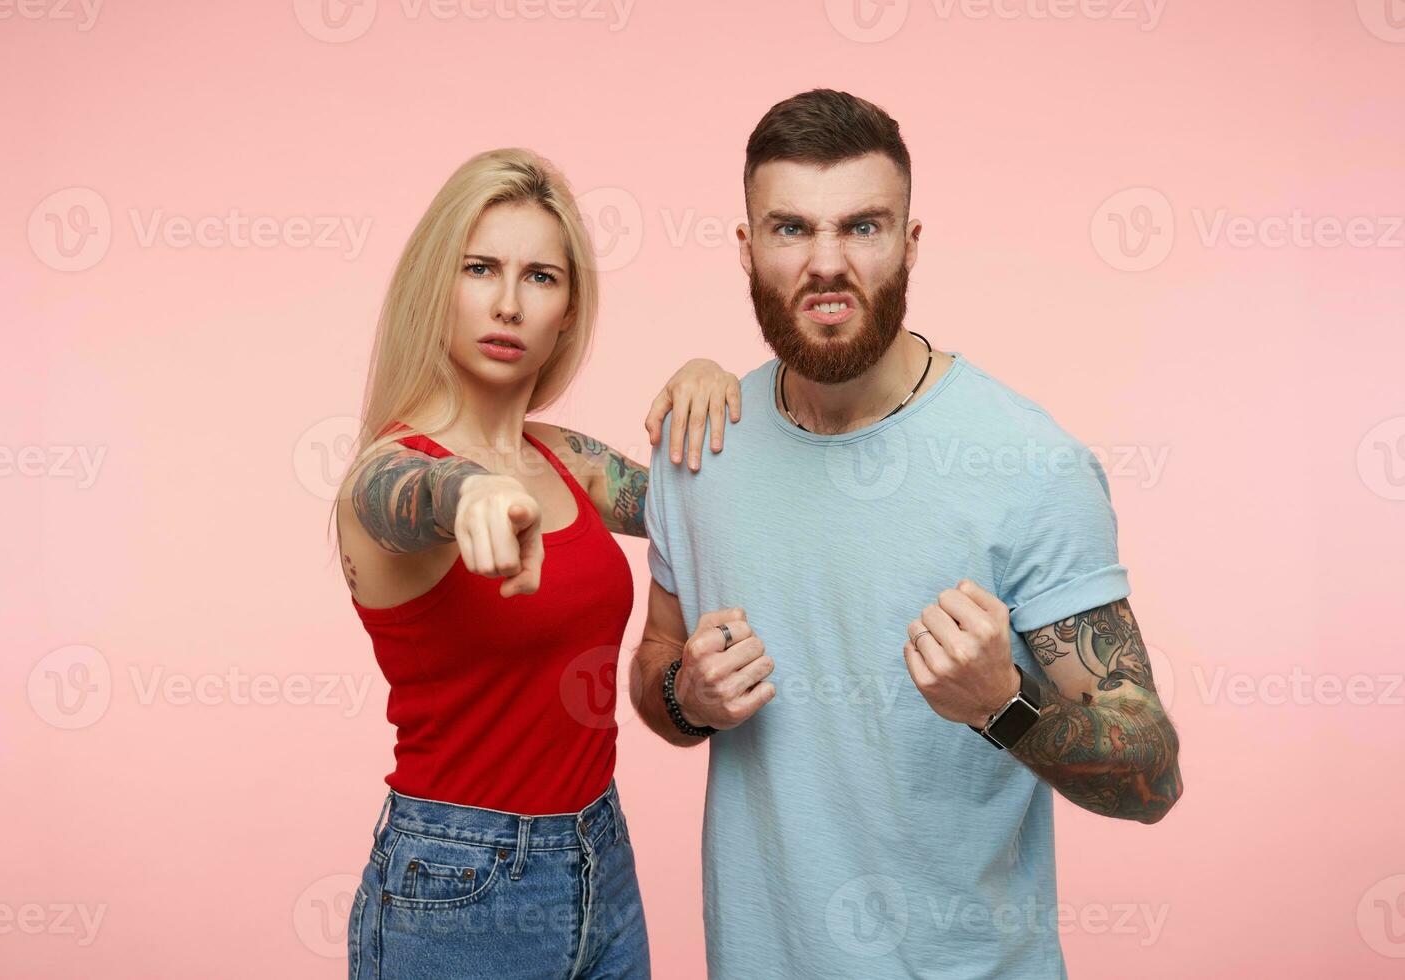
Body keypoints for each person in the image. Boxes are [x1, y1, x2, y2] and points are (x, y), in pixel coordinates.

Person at [631, 89, 1185, 979]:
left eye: (863, 226)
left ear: (910, 243)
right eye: (790, 229)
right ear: (746, 247)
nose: (827, 263)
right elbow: (654, 660)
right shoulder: (703, 445)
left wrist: (1005, 705)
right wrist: (685, 696)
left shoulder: (1028, 465)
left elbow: (1153, 773)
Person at [332, 147, 740, 980]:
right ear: (435, 286)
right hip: (459, 885)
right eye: (480, 268)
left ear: (568, 309)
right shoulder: (388, 472)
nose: (509, 303)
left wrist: (712, 379)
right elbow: (399, 492)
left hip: (601, 856)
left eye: (541, 277)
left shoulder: (565, 463)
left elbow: (708, 499)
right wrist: (467, 493)